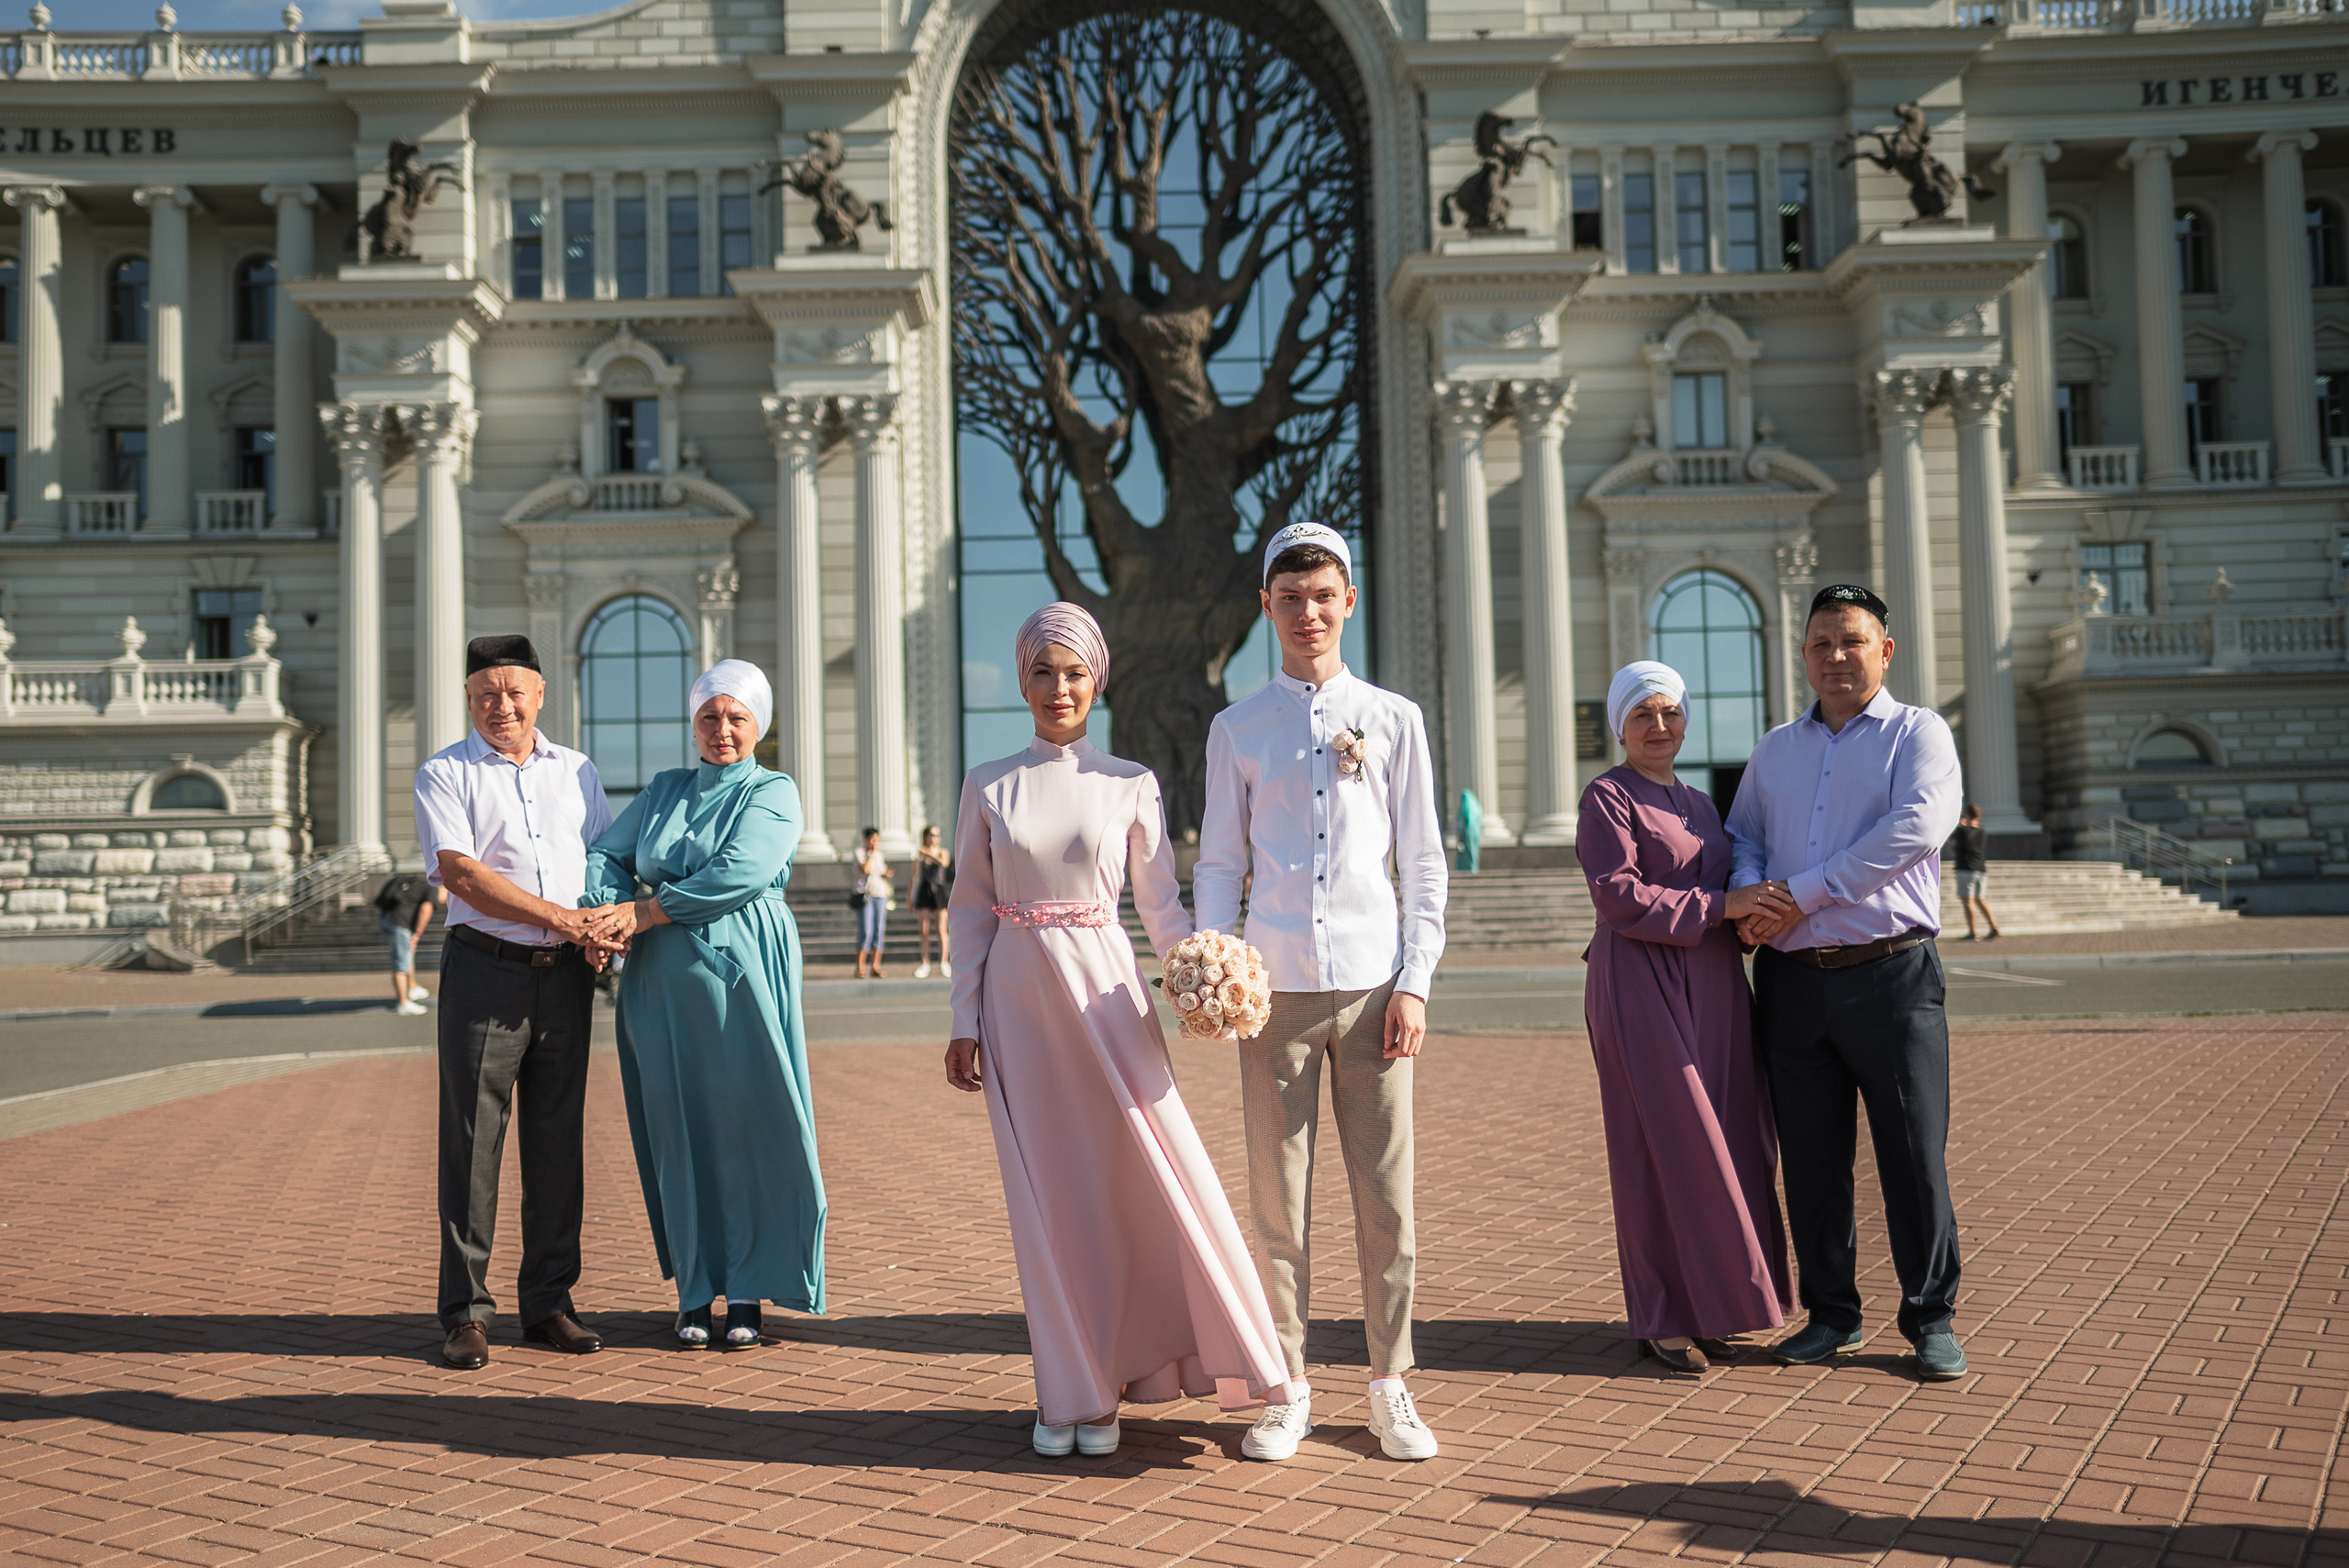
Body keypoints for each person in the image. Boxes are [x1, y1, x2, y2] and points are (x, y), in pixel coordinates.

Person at [943, 603, 1299, 1458]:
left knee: (1152, 1172)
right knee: (1048, 1199)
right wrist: (963, 1020)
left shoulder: (1130, 780)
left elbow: (1161, 908)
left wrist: (1206, 978)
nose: (1058, 688)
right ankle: (1072, 1390)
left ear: (1096, 680)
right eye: (1041, 671)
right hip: (1018, 1008)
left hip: (1109, 997)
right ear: (1023, 681)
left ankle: (1212, 1365)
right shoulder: (989, 782)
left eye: (1073, 672)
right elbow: (969, 912)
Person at [1196, 521, 1448, 1463]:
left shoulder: (1393, 718)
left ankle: (1389, 1382)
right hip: (1272, 995)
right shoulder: (1237, 727)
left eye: (1324, 595)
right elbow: (1219, 863)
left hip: (1378, 990)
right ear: (1267, 607)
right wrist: (1216, 966)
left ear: (1349, 600)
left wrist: (1415, 982)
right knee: (1277, 1201)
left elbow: (1422, 863)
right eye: (1290, 597)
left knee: (1387, 1198)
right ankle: (1287, 1382)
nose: (1308, 612)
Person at [1726, 584, 1969, 1382]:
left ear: (1884, 650)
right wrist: (1759, 893)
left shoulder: (1918, 734)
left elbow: (1915, 829)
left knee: (1912, 1154)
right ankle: (1833, 1315)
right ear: (1803, 654)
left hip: (1890, 976)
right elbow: (1744, 836)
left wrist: (1802, 892)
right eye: (1821, 642)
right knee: (1812, 1159)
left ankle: (1929, 1317)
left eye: (1852, 641)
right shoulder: (1775, 749)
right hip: (1794, 982)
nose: (1836, 655)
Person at [581, 659, 827, 1351]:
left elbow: (740, 872)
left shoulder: (774, 791)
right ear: (693, 723)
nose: (722, 729)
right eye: (709, 717)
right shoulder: (663, 790)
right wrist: (605, 910)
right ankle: (695, 1286)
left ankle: (746, 1287)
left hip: (741, 973)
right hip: (658, 985)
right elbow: (605, 853)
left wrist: (648, 908)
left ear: (759, 726)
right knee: (675, 1131)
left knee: (744, 1125)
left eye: (736, 717)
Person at [1576, 662, 1796, 1376]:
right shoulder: (1607, 795)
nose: (1659, 726)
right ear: (1622, 726)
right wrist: (1721, 909)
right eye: (1643, 714)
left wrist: (1751, 921)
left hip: (1715, 978)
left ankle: (1719, 1305)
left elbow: (1730, 886)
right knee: (1664, 1142)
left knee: (1731, 1138)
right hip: (1641, 977)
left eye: (1670, 712)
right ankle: (1663, 1314)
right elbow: (1617, 894)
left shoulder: (1703, 804)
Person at [413, 635, 621, 1372]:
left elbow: (600, 860)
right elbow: (461, 875)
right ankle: (466, 1312)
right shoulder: (446, 771)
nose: (501, 706)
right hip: (485, 973)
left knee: (558, 1141)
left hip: (567, 976)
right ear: (470, 701)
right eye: (485, 695)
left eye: (513, 693)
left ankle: (550, 1302)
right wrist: (564, 918)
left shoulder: (578, 771)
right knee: (473, 1145)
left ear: (540, 695)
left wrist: (597, 925)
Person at [375, 871, 445, 1016]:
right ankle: (403, 1003)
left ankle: (412, 988)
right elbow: (426, 910)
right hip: (399, 924)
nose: (446, 901)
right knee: (401, 962)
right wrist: (417, 934)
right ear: (442, 888)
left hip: (389, 920)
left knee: (407, 953)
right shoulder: (432, 888)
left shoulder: (420, 886)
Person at [1949, 804, 1998, 940]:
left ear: (1967, 815)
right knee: (1980, 899)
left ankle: (1973, 932)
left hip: (1965, 868)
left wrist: (1959, 826)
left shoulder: (1961, 831)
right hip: (1981, 869)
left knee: (1967, 901)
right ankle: (1994, 927)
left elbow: (1951, 840)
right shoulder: (1982, 832)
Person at [911, 824, 952, 979]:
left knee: (941, 929)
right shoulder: (920, 854)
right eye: (932, 835)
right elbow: (914, 876)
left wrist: (929, 854)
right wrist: (910, 897)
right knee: (924, 930)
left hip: (939, 890)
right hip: (924, 890)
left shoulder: (942, 852)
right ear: (926, 836)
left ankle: (944, 962)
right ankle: (925, 962)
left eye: (937, 835)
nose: (935, 838)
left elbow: (944, 863)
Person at [853, 827, 892, 979]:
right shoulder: (860, 853)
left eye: (877, 839)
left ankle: (875, 966)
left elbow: (881, 873)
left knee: (878, 930)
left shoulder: (880, 855)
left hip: (880, 894)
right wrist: (873, 853)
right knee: (866, 931)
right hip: (866, 895)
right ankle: (860, 967)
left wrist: (887, 875)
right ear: (866, 839)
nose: (876, 842)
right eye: (873, 839)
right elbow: (865, 869)